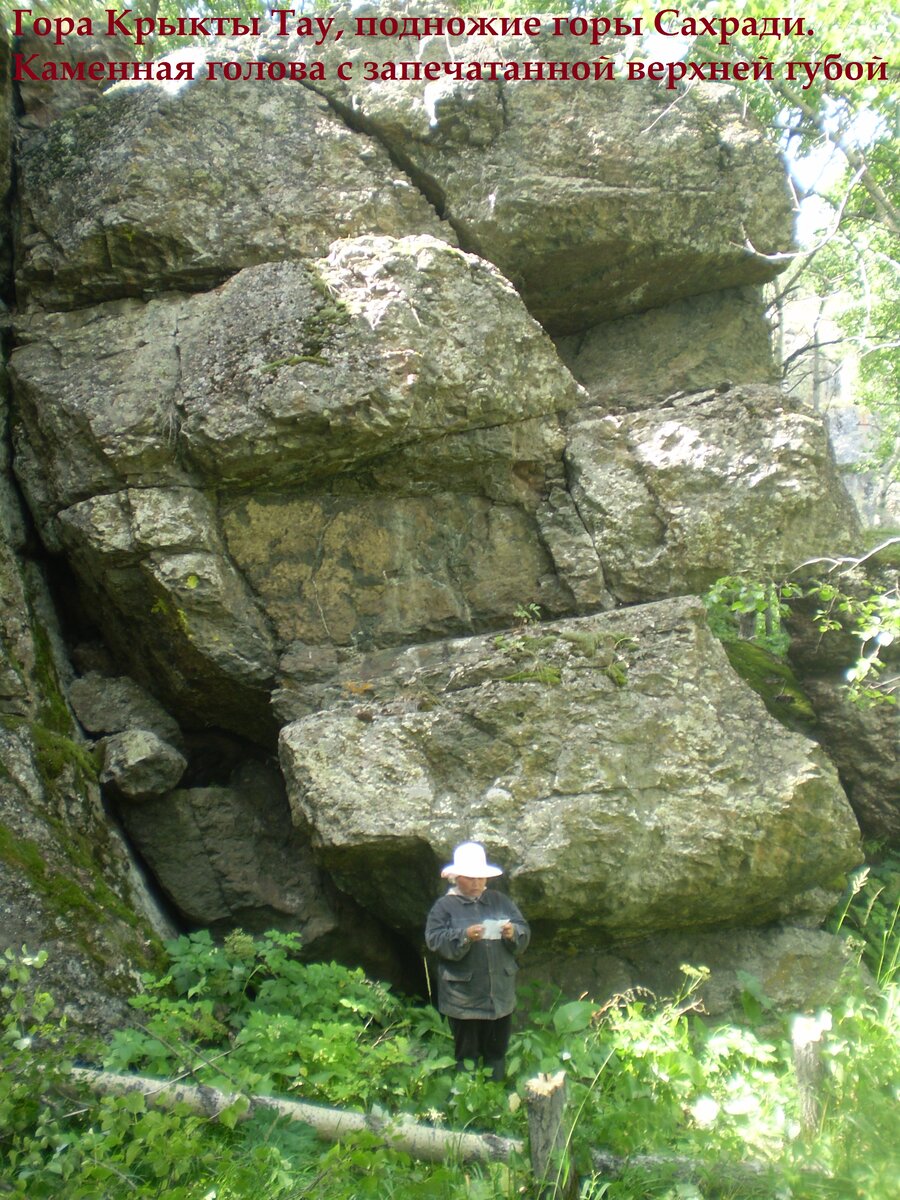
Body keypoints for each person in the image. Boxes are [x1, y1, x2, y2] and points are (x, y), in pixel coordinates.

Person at [425, 841, 530, 1082]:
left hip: (499, 995)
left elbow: (524, 929)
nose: (477, 883)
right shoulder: (444, 907)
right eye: (471, 878)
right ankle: (466, 1102)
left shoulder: (499, 900)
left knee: (496, 1053)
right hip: (464, 999)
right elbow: (434, 939)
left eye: (481, 878)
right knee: (467, 1056)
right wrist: (464, 936)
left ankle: (495, 1103)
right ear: (456, 877)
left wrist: (513, 932)